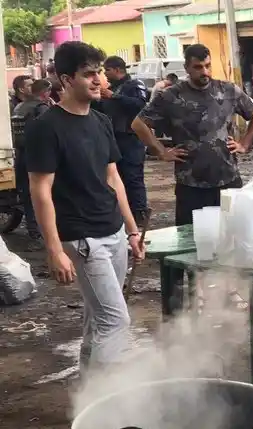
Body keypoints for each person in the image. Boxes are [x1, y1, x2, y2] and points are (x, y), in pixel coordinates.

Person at [25, 41, 145, 374]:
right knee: (115, 319)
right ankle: (110, 401)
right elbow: (41, 191)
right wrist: (54, 250)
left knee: (98, 318)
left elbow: (114, 179)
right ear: (66, 79)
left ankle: (89, 395)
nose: (97, 80)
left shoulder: (101, 121)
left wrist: (132, 230)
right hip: (82, 238)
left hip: (114, 231)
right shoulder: (46, 128)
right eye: (88, 74)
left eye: (100, 73)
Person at [132, 44, 253, 226]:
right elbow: (139, 124)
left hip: (227, 180)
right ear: (187, 68)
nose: (205, 72)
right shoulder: (171, 96)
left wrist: (244, 144)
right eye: (198, 67)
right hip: (190, 184)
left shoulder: (228, 90)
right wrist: (161, 151)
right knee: (190, 241)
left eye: (208, 66)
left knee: (233, 235)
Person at [99, 56, 151, 225]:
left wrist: (114, 96)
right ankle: (123, 214)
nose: (104, 74)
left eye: (107, 69)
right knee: (116, 178)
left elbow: (140, 105)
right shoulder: (111, 89)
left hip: (130, 139)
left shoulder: (134, 85)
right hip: (114, 140)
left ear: (117, 69)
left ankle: (140, 214)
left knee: (133, 177)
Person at [11, 79, 52, 250]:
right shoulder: (40, 108)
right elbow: (49, 132)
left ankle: (34, 232)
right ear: (45, 93)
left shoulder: (19, 107)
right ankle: (42, 234)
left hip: (21, 155)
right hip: (37, 156)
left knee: (28, 196)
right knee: (43, 195)